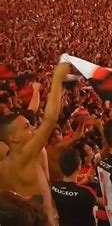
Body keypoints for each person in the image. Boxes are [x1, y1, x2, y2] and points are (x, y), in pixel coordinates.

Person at [0, 63, 70, 226]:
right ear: (13, 138)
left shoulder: (4, 167)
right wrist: (57, 79)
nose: (33, 128)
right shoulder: (25, 155)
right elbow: (51, 118)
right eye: (27, 127)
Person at [51, 148, 97, 226]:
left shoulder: (54, 187)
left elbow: (70, 189)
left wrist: (83, 182)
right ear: (79, 167)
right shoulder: (87, 192)